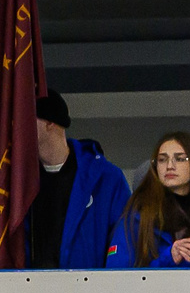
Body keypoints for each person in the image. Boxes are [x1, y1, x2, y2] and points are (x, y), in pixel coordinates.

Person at [25, 90, 131, 268]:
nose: (17, 129)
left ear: (50, 122)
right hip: (26, 291)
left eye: (25, 119)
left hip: (90, 292)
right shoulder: (14, 183)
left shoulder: (106, 179)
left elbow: (125, 242)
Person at [107, 130, 190, 267]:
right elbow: (117, 275)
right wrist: (169, 258)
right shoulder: (136, 217)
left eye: (180, 159)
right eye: (162, 160)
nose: (170, 166)